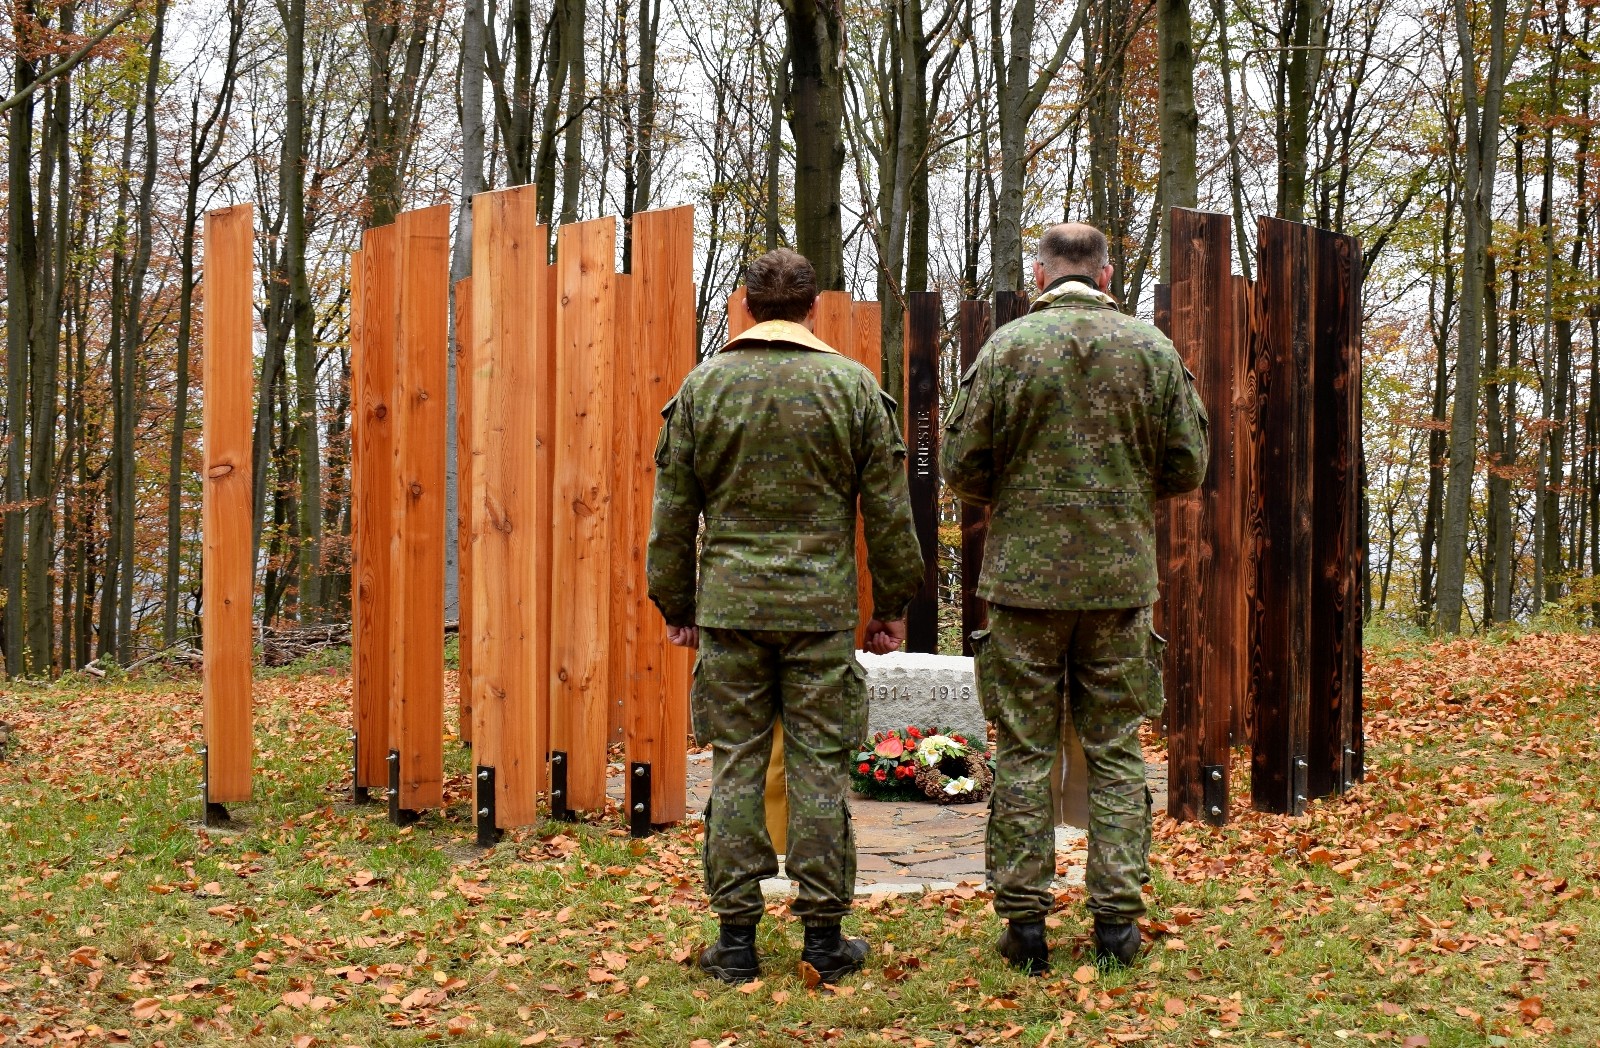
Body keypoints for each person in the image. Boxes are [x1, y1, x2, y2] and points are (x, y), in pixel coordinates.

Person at [647, 248, 924, 985]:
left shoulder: (704, 387)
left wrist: (677, 603)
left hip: (732, 608)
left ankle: (736, 941)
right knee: (819, 766)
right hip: (820, 611)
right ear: (813, 307)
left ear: (745, 305)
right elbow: (889, 513)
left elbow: (672, 512)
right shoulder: (851, 388)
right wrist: (891, 606)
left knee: (736, 763)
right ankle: (823, 938)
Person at [940, 223, 1209, 974]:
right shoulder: (1151, 350)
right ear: (1107, 274)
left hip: (1024, 583)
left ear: (1040, 274)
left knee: (1023, 750)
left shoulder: (1007, 349)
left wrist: (1019, 494)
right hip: (1118, 582)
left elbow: (961, 463)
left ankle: (1025, 926)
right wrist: (1123, 493)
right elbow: (1188, 463)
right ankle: (1116, 923)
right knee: (1115, 750)